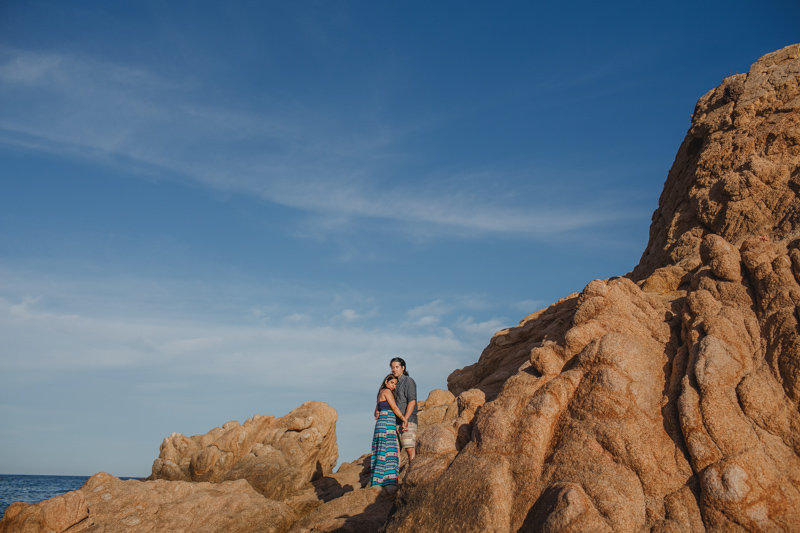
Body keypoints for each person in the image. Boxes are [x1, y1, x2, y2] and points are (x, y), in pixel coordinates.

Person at [370, 374, 407, 487]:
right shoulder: (386, 391)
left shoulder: (381, 393)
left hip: (383, 423)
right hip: (386, 423)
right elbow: (394, 408)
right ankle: (386, 481)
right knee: (388, 451)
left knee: (382, 450)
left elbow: (376, 411)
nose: (393, 386)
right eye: (392, 383)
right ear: (386, 382)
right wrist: (404, 419)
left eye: (395, 384)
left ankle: (379, 480)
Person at [390, 357, 418, 462]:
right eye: (393, 367)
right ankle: (395, 478)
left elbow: (412, 401)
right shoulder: (393, 383)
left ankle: (412, 474)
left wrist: (405, 419)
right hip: (394, 421)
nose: (394, 369)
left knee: (409, 449)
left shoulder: (408, 381)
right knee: (395, 453)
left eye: (397, 367)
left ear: (403, 368)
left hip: (408, 420)